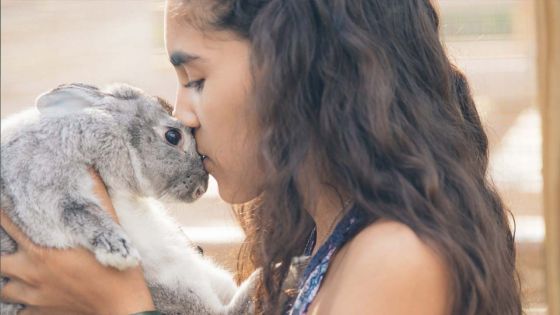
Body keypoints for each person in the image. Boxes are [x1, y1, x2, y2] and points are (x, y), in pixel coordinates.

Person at [0, 0, 522, 314]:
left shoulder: (397, 257)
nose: (182, 115)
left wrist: (118, 302)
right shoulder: (317, 248)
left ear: (295, 68)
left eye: (196, 80)